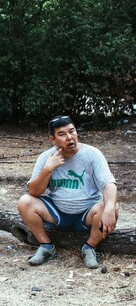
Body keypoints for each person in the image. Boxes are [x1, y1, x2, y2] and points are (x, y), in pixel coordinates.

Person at [17, 115, 118, 269]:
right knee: (24, 201)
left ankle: (89, 247)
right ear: (53, 139)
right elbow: (34, 192)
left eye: (72, 131)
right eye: (62, 134)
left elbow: (109, 183)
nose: (69, 137)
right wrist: (48, 169)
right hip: (57, 213)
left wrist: (110, 209)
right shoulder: (46, 157)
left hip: (88, 214)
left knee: (112, 205)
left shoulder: (92, 154)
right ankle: (46, 247)